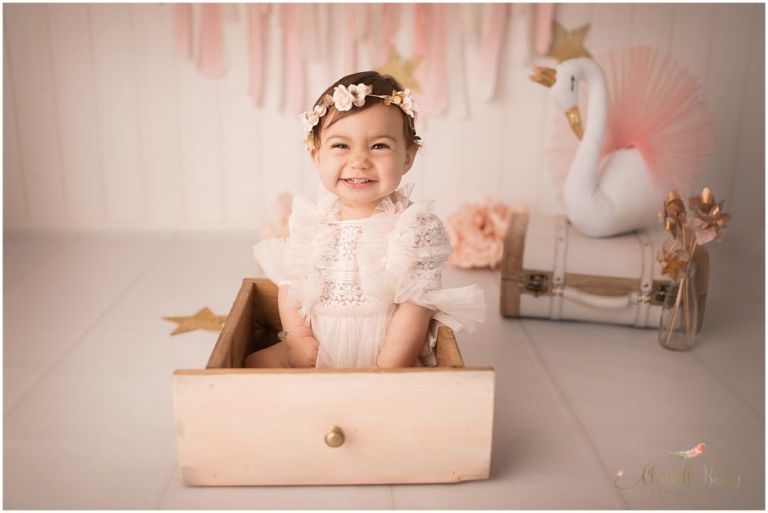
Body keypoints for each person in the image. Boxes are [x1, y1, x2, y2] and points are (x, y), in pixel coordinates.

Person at [247, 70, 484, 369]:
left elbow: (416, 305)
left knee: (404, 394)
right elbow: (291, 285)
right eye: (341, 146)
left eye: (379, 146)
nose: (359, 161)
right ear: (315, 155)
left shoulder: (412, 226)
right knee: (256, 362)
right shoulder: (313, 221)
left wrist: (390, 365)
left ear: (408, 157)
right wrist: (297, 338)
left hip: (383, 349)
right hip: (317, 344)